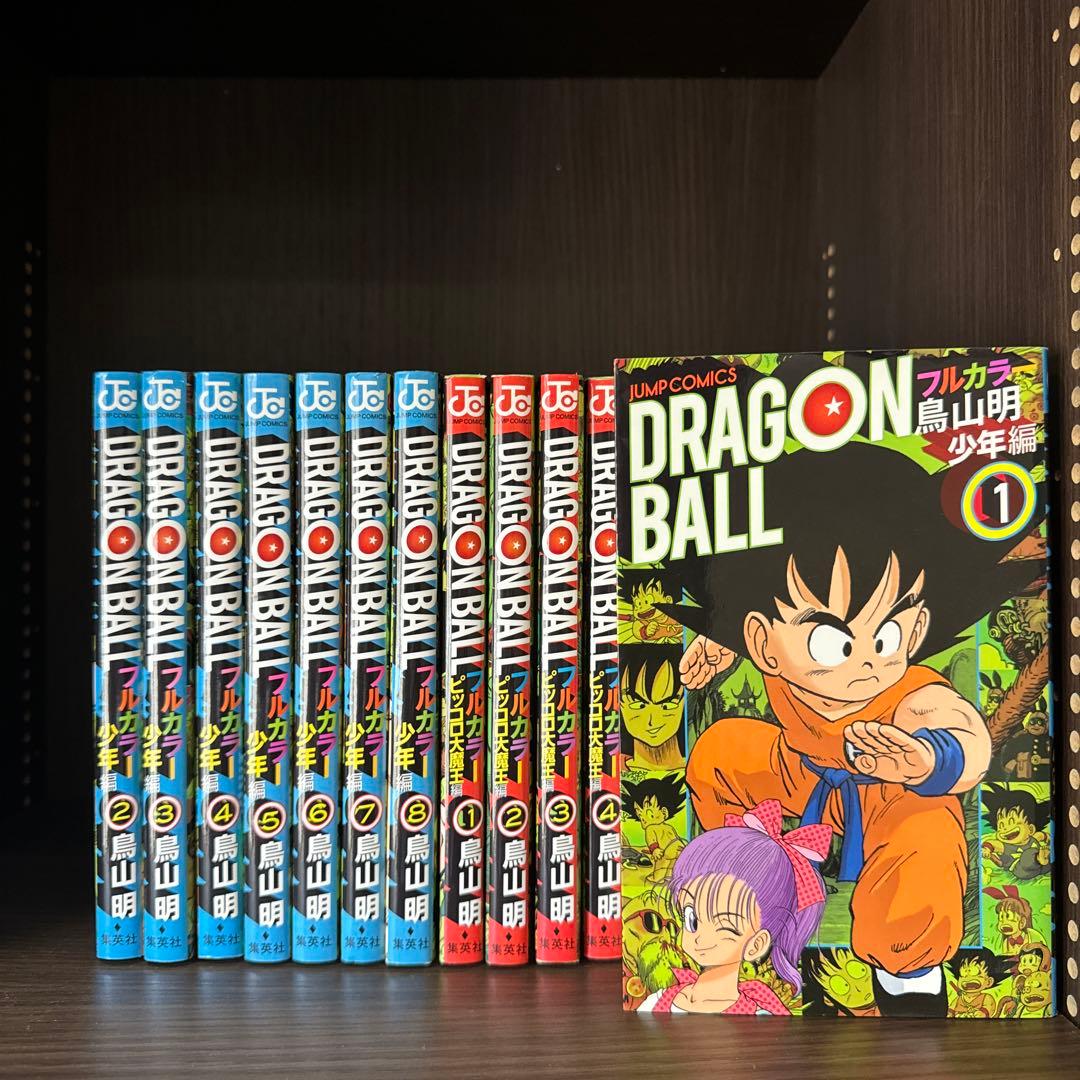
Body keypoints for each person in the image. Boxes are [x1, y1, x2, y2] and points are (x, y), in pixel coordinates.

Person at [639, 799, 830, 1014]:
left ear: (756, 945)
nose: (699, 937)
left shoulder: (759, 1014)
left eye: (725, 927)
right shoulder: (658, 1000)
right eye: (692, 919)